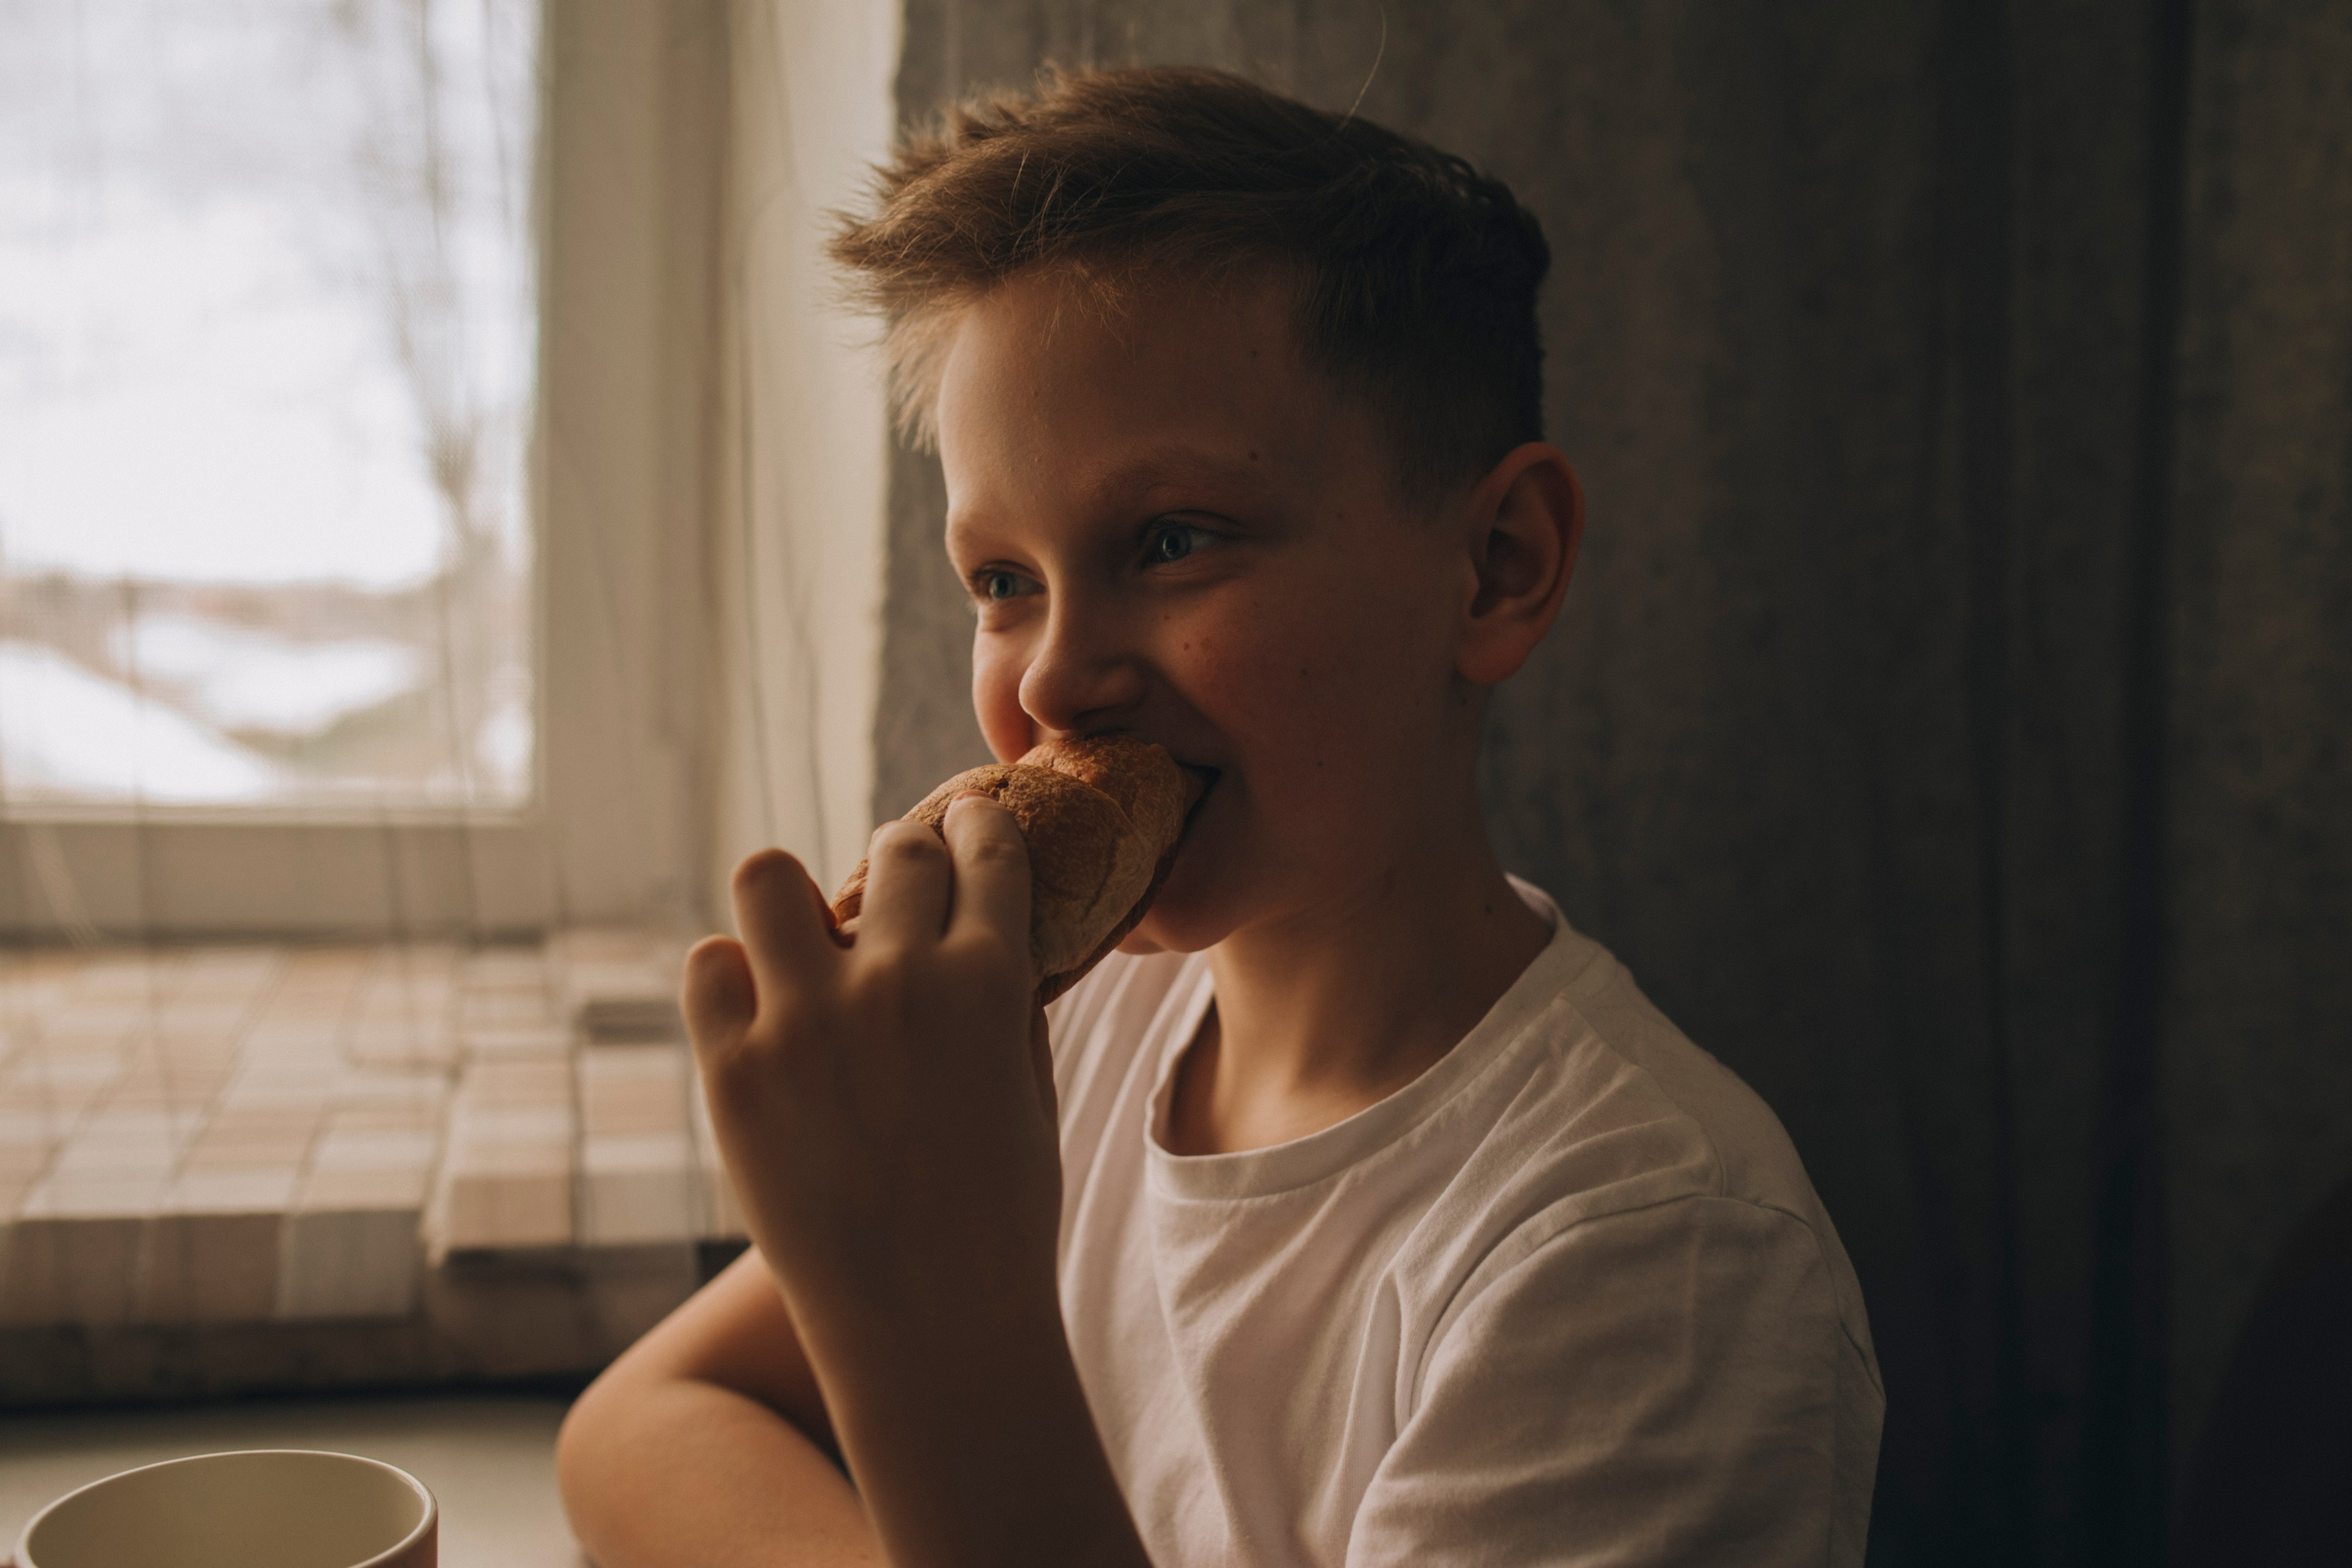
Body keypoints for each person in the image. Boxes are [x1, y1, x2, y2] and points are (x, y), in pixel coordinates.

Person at [556, 64, 1883, 1568]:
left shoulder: (1646, 1264)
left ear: (1498, 565)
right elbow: (645, 1418)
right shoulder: (1073, 1030)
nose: (1054, 672)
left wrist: (927, 1306)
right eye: (1002, 579)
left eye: (1172, 540)